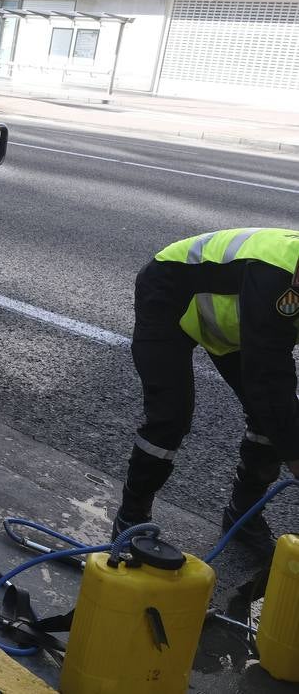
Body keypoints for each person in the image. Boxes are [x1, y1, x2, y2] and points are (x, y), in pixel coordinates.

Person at [112, 228, 299, 554]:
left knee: (269, 417)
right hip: (169, 293)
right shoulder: (276, 277)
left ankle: (242, 514)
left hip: (234, 322)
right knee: (170, 415)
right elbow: (269, 381)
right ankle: (131, 519)